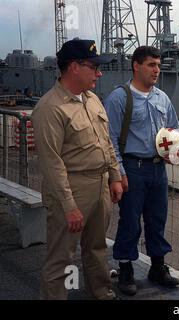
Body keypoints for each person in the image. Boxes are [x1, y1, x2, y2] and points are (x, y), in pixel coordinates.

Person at [32, 39, 123, 300]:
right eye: (93, 66)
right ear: (74, 67)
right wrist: (69, 205)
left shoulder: (92, 99)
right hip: (71, 188)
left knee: (96, 248)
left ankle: (101, 292)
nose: (99, 72)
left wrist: (114, 176)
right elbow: (51, 163)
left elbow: (106, 141)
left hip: (100, 184)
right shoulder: (50, 108)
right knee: (62, 257)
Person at [104, 46, 179, 296]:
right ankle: (125, 269)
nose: (157, 70)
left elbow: (175, 128)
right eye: (151, 65)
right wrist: (119, 173)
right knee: (130, 222)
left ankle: (157, 267)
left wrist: (172, 146)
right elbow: (110, 139)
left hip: (158, 169)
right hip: (132, 168)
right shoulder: (119, 98)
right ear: (136, 66)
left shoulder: (162, 98)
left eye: (158, 65)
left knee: (157, 220)